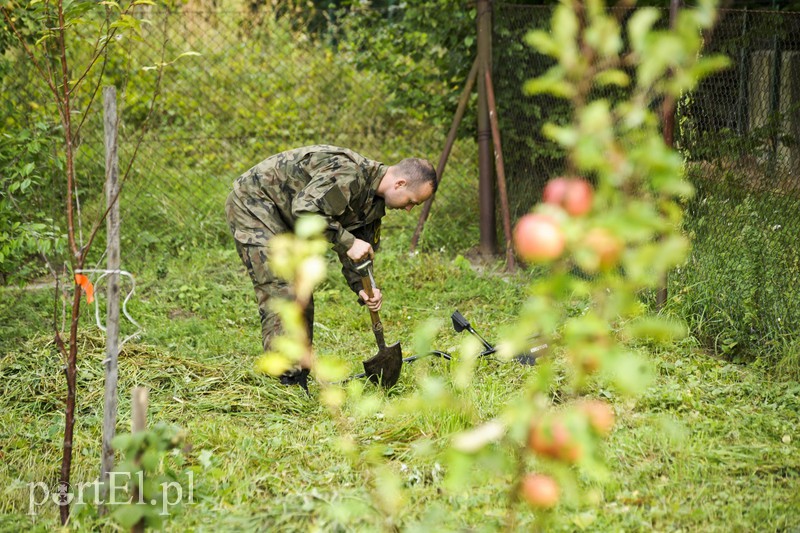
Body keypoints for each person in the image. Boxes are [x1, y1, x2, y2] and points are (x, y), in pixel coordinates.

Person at [225, 144, 437, 390]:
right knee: (282, 288)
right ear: (399, 184)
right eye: (411, 201)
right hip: (254, 204)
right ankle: (284, 383)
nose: (409, 209)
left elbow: (360, 254)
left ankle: (299, 374)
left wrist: (364, 287)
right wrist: (349, 242)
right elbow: (306, 210)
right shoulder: (348, 174)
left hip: (284, 215)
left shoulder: (373, 205)